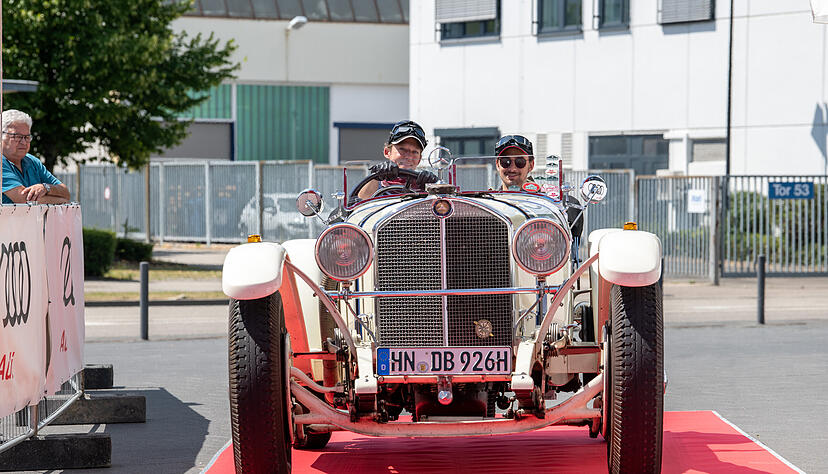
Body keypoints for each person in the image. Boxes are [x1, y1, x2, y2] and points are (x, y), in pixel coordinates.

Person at [2, 110, 70, 204]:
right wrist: (61, 201)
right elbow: (24, 200)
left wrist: (45, 188)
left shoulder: (32, 161)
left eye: (27, 137)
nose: (23, 142)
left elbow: (65, 192)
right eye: (17, 136)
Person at [357, 120, 436, 200]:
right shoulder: (375, 185)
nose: (409, 157)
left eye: (414, 152)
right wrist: (375, 176)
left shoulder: (425, 189)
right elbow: (359, 204)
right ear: (387, 152)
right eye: (402, 149)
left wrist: (434, 187)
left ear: (419, 159)